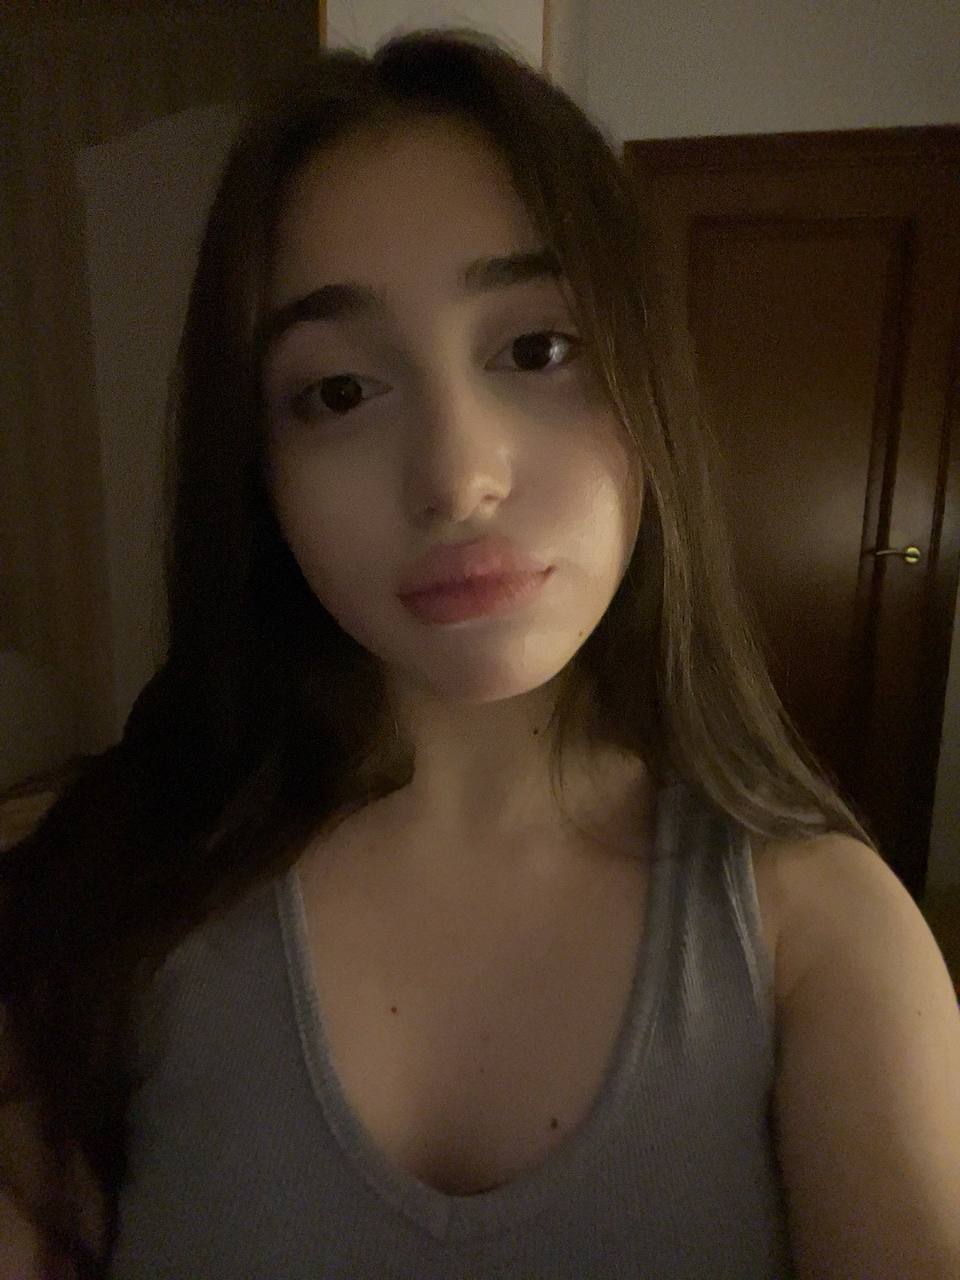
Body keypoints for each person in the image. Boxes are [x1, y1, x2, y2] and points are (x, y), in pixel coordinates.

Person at [2, 27, 958, 1280]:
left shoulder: (822, 931)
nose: (456, 477)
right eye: (340, 392)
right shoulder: (107, 901)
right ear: (260, 467)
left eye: (538, 350)